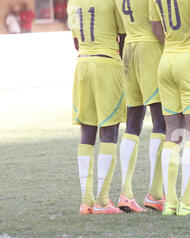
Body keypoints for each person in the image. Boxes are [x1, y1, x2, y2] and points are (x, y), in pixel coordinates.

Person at [149, 0, 190, 216]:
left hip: (166, 60)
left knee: (172, 133)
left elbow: (156, 26)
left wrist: (170, 46)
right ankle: (186, 202)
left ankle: (170, 202)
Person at [68, 0, 127, 215]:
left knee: (87, 132)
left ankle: (86, 201)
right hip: (107, 63)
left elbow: (75, 41)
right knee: (109, 131)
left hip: (83, 63)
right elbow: (124, 35)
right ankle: (102, 200)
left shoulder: (72, 2)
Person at [114, 0, 166, 213]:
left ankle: (126, 193)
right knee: (161, 120)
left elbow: (120, 30)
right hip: (150, 47)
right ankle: (155, 194)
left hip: (128, 49)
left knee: (133, 121)